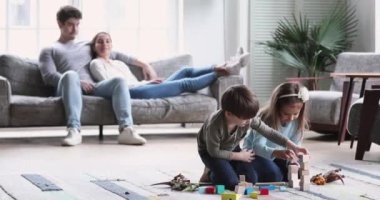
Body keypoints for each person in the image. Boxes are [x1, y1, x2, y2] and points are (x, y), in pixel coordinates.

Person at [38, 5, 156, 146]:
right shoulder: (49, 49)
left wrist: (145, 64)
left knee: (118, 81)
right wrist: (78, 82)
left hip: (93, 87)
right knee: (70, 75)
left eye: (77, 24)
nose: (75, 29)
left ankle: (126, 129)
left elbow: (116, 54)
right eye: (70, 25)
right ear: (59, 23)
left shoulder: (87, 45)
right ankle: (74, 130)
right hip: (67, 87)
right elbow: (49, 76)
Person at [197, 84, 308, 190]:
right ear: (229, 114)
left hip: (231, 147)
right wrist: (239, 156)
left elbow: (269, 132)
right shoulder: (215, 125)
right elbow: (214, 152)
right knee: (231, 183)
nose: (248, 122)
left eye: (250, 118)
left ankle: (225, 168)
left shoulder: (247, 118)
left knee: (251, 179)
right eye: (245, 119)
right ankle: (211, 172)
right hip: (211, 152)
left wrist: (293, 146)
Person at [89, 32, 250, 99]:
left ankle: (226, 64)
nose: (104, 44)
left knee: (184, 70)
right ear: (94, 46)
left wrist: (147, 82)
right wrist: (147, 83)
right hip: (132, 93)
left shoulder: (119, 63)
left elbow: (131, 79)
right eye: (100, 41)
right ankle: (225, 71)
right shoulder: (96, 64)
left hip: (141, 86)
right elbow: (112, 85)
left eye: (108, 41)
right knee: (184, 83)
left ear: (112, 45)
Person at [243, 82, 309, 182]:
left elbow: (295, 147)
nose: (291, 118)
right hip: (256, 154)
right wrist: (277, 153)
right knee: (274, 175)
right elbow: (257, 148)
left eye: (296, 113)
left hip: (280, 157)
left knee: (292, 174)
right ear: (276, 108)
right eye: (286, 114)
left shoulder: (298, 122)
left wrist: (294, 161)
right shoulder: (264, 118)